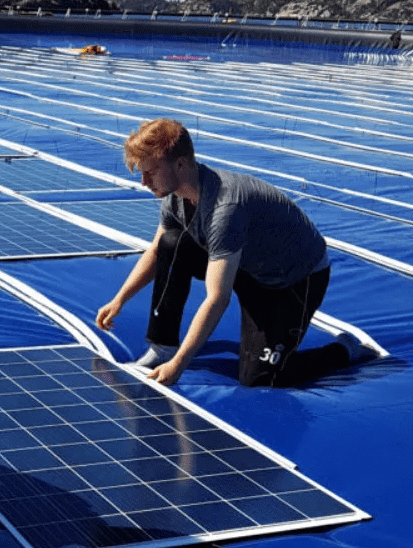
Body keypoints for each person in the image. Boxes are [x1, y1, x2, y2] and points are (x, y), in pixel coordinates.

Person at [95, 118, 376, 388]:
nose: (144, 181)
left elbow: (218, 299)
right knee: (172, 242)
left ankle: (344, 350)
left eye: (150, 171)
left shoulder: (225, 209)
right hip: (247, 263)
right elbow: (158, 251)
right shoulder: (175, 196)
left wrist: (180, 364)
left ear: (180, 164)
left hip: (292, 281)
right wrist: (119, 300)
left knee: (262, 379)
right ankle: (162, 347)